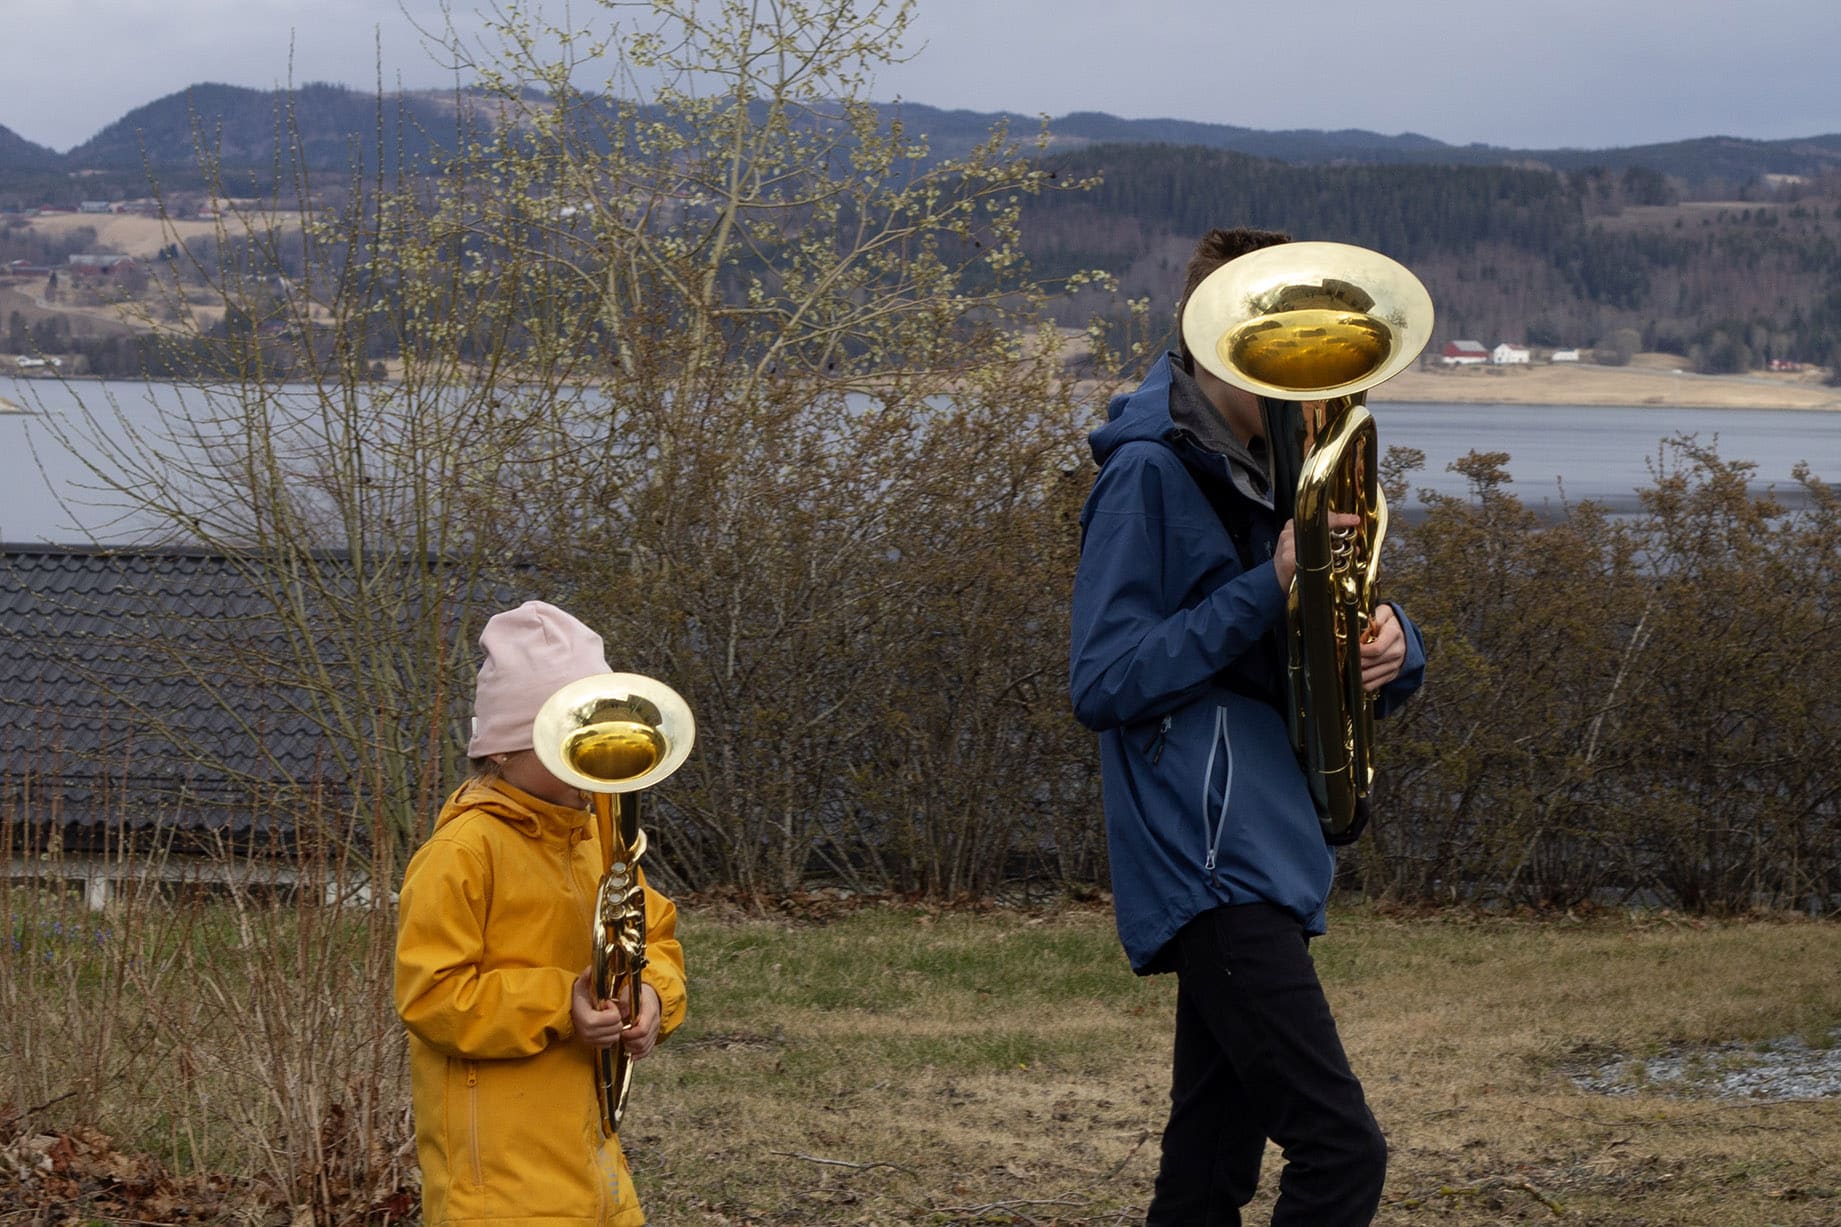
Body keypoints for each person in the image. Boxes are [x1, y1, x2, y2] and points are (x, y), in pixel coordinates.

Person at [1067, 227, 1427, 1226]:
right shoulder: (1147, 476)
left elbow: (1322, 635)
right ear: (1210, 339)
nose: (1302, 381)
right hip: (1208, 852)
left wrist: (1396, 649)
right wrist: (1262, 586)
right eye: (1274, 350)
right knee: (1340, 1151)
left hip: (1264, 842)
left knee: (1208, 1168)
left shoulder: (1286, 466)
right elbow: (1101, 679)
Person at [395, 600, 688, 1227]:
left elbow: (653, 935)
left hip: (594, 1166)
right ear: (501, 749)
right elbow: (431, 998)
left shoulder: (597, 843)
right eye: (563, 741)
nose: (591, 758)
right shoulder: (460, 853)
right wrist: (562, 1005)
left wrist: (652, 997)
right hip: (497, 1188)